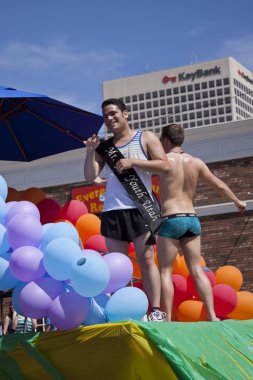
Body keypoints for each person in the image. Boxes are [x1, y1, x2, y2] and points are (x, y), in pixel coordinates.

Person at [116, 123, 246, 322]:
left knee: (165, 271)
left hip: (171, 220)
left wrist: (129, 162)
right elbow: (218, 184)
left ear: (166, 140)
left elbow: (138, 171)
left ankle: (166, 319)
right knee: (196, 269)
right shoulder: (196, 162)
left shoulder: (163, 162)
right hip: (192, 220)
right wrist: (237, 200)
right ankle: (212, 315)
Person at [84, 98, 168, 321]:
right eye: (105, 116)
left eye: (113, 113)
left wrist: (133, 162)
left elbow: (164, 165)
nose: (109, 119)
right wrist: (91, 151)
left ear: (125, 114)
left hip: (141, 209)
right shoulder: (104, 147)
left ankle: (156, 310)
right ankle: (125, 312)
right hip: (113, 211)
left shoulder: (145, 137)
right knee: (117, 267)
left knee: (147, 259)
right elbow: (90, 177)